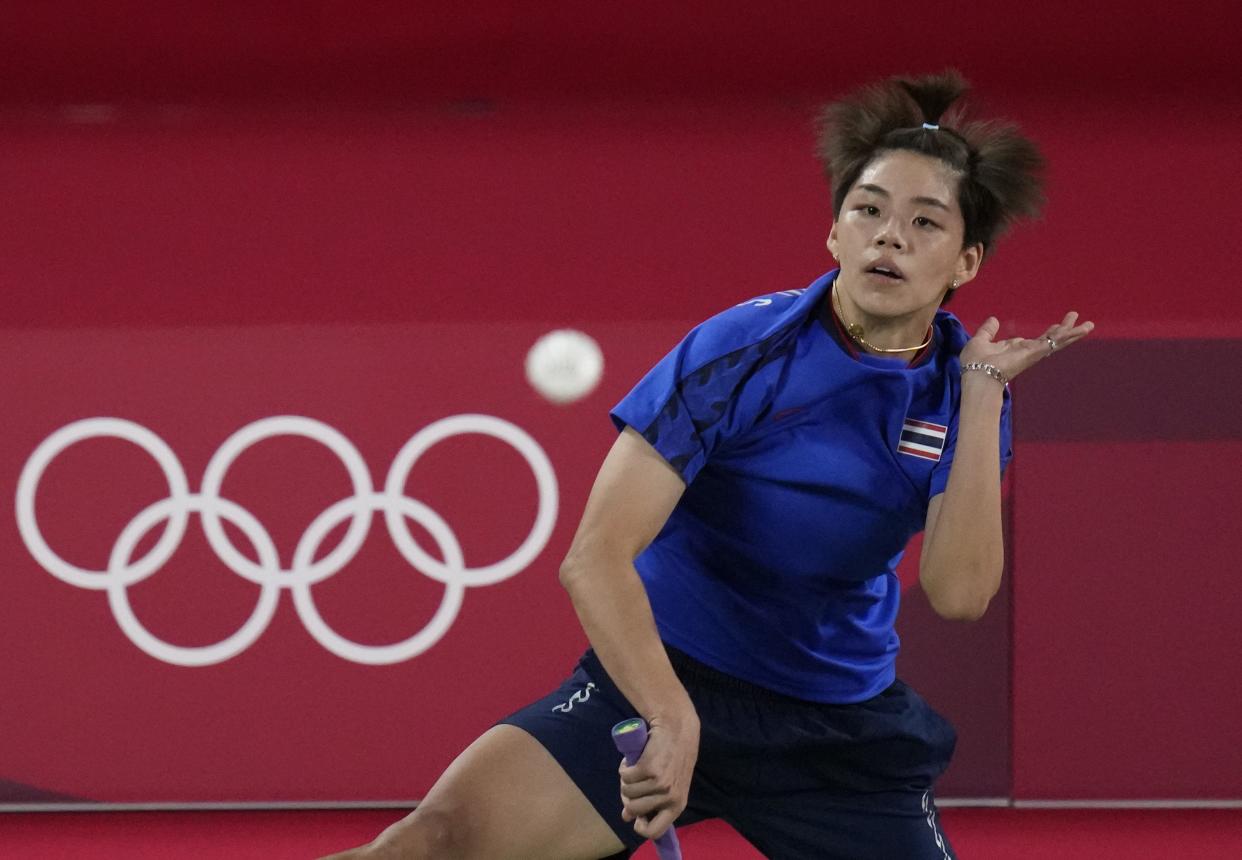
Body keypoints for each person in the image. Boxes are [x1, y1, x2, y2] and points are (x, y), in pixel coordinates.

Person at [321, 70, 1093, 860]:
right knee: (432, 844)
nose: (887, 236)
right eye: (867, 210)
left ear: (964, 264)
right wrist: (670, 714)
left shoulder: (961, 390)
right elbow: (595, 558)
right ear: (834, 234)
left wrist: (983, 396)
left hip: (835, 730)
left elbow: (960, 595)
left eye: (924, 222)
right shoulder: (743, 352)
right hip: (666, 676)